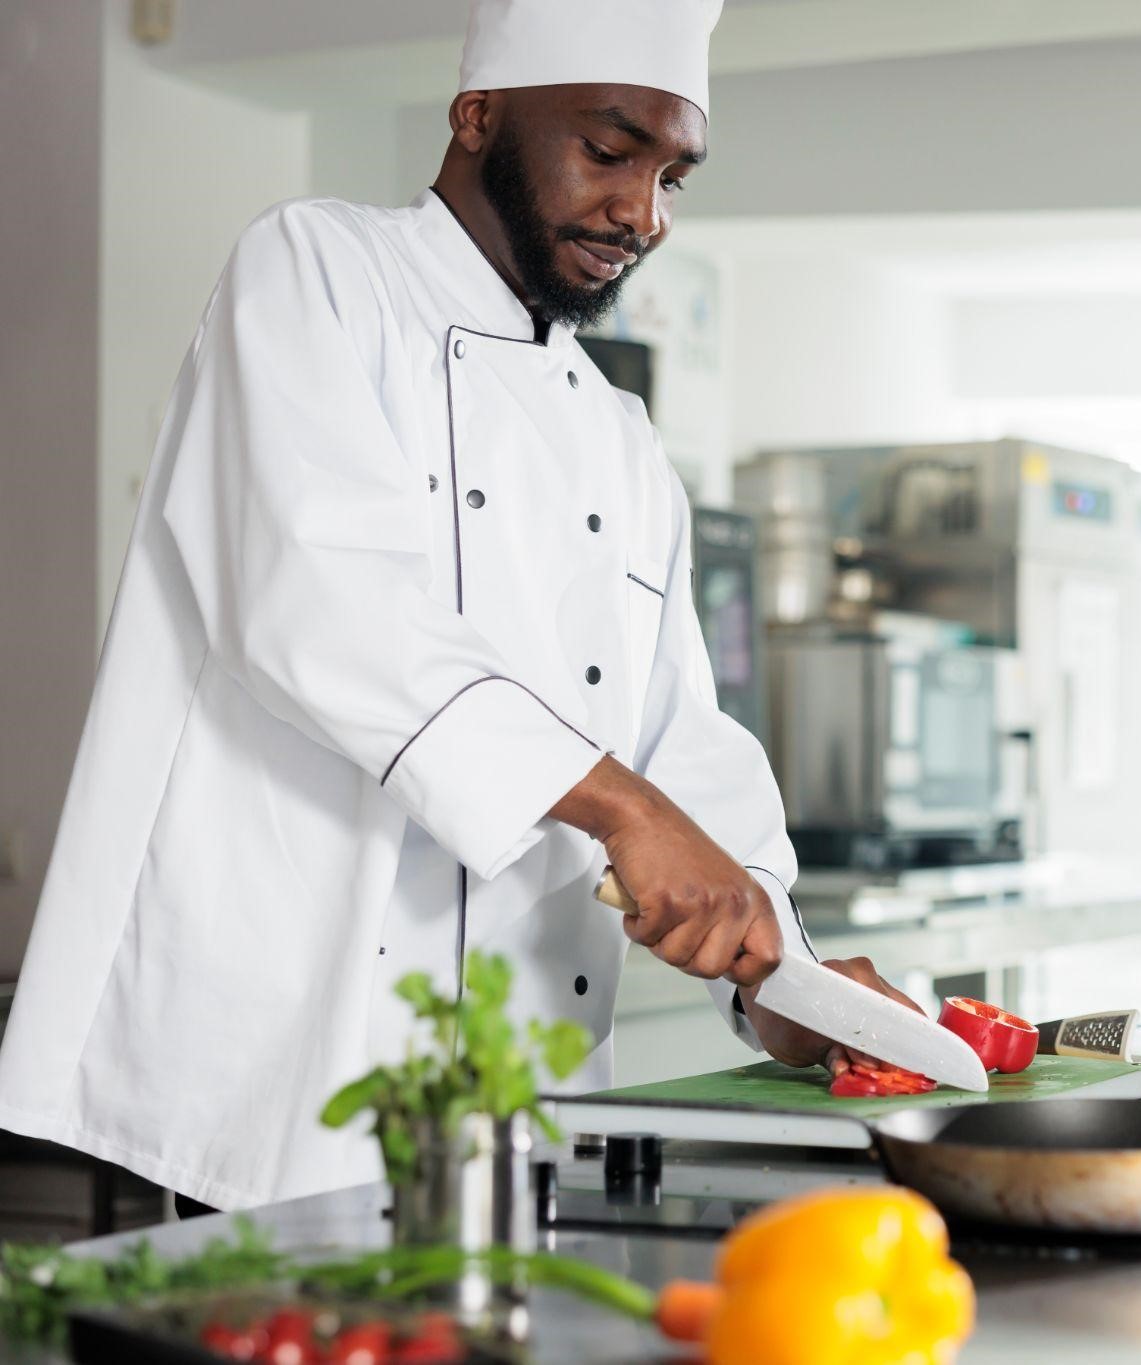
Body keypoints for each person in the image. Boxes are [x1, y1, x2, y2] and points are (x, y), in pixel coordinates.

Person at [0, 0, 915, 1212]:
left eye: (671, 176)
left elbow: (679, 738)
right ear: (478, 114)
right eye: (609, 150)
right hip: (295, 1051)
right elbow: (320, 602)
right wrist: (626, 811)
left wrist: (782, 981)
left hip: (522, 1078)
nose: (641, 216)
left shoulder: (623, 438)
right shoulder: (317, 269)